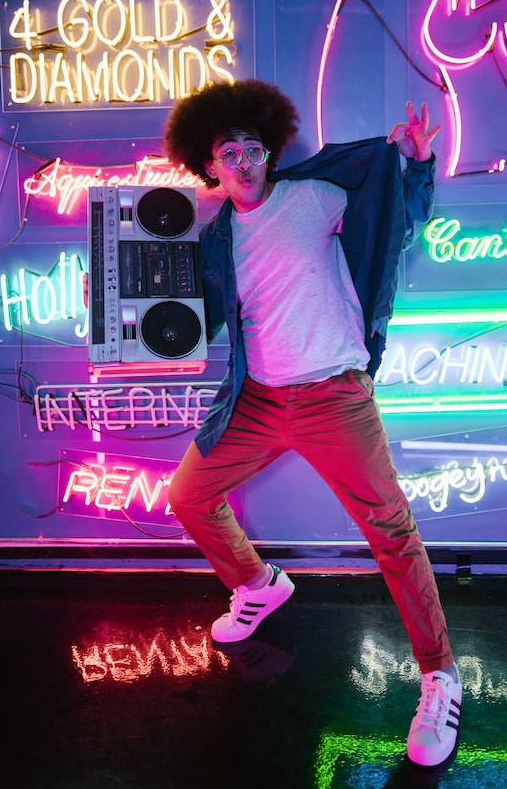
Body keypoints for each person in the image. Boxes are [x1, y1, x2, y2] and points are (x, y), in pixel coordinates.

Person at [163, 79, 462, 769]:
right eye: (227, 151)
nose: (242, 160)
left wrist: (415, 166)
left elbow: (396, 221)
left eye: (253, 148)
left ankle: (440, 676)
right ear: (210, 167)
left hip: (335, 396)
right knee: (187, 496)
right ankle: (259, 585)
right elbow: (191, 316)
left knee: (391, 531)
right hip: (260, 401)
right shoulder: (214, 242)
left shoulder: (315, 198)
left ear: (270, 154)